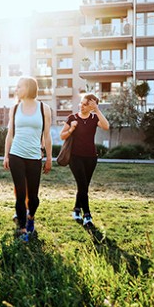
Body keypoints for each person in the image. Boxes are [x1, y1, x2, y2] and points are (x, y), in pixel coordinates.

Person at [4, 77, 53, 242]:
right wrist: (6, 155)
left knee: (33, 196)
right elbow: (10, 133)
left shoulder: (43, 108)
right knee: (20, 194)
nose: (16, 89)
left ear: (29, 88)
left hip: (34, 156)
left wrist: (49, 158)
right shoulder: (15, 108)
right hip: (16, 154)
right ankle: (23, 229)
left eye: (19, 86)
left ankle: (30, 216)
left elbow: (47, 135)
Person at [61, 93, 110, 227]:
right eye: (81, 103)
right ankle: (87, 215)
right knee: (82, 185)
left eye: (85, 104)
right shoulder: (72, 118)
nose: (81, 106)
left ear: (91, 107)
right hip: (75, 157)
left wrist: (97, 110)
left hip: (91, 158)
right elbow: (62, 136)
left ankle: (77, 209)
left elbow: (106, 126)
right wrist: (72, 128)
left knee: (84, 186)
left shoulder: (94, 118)